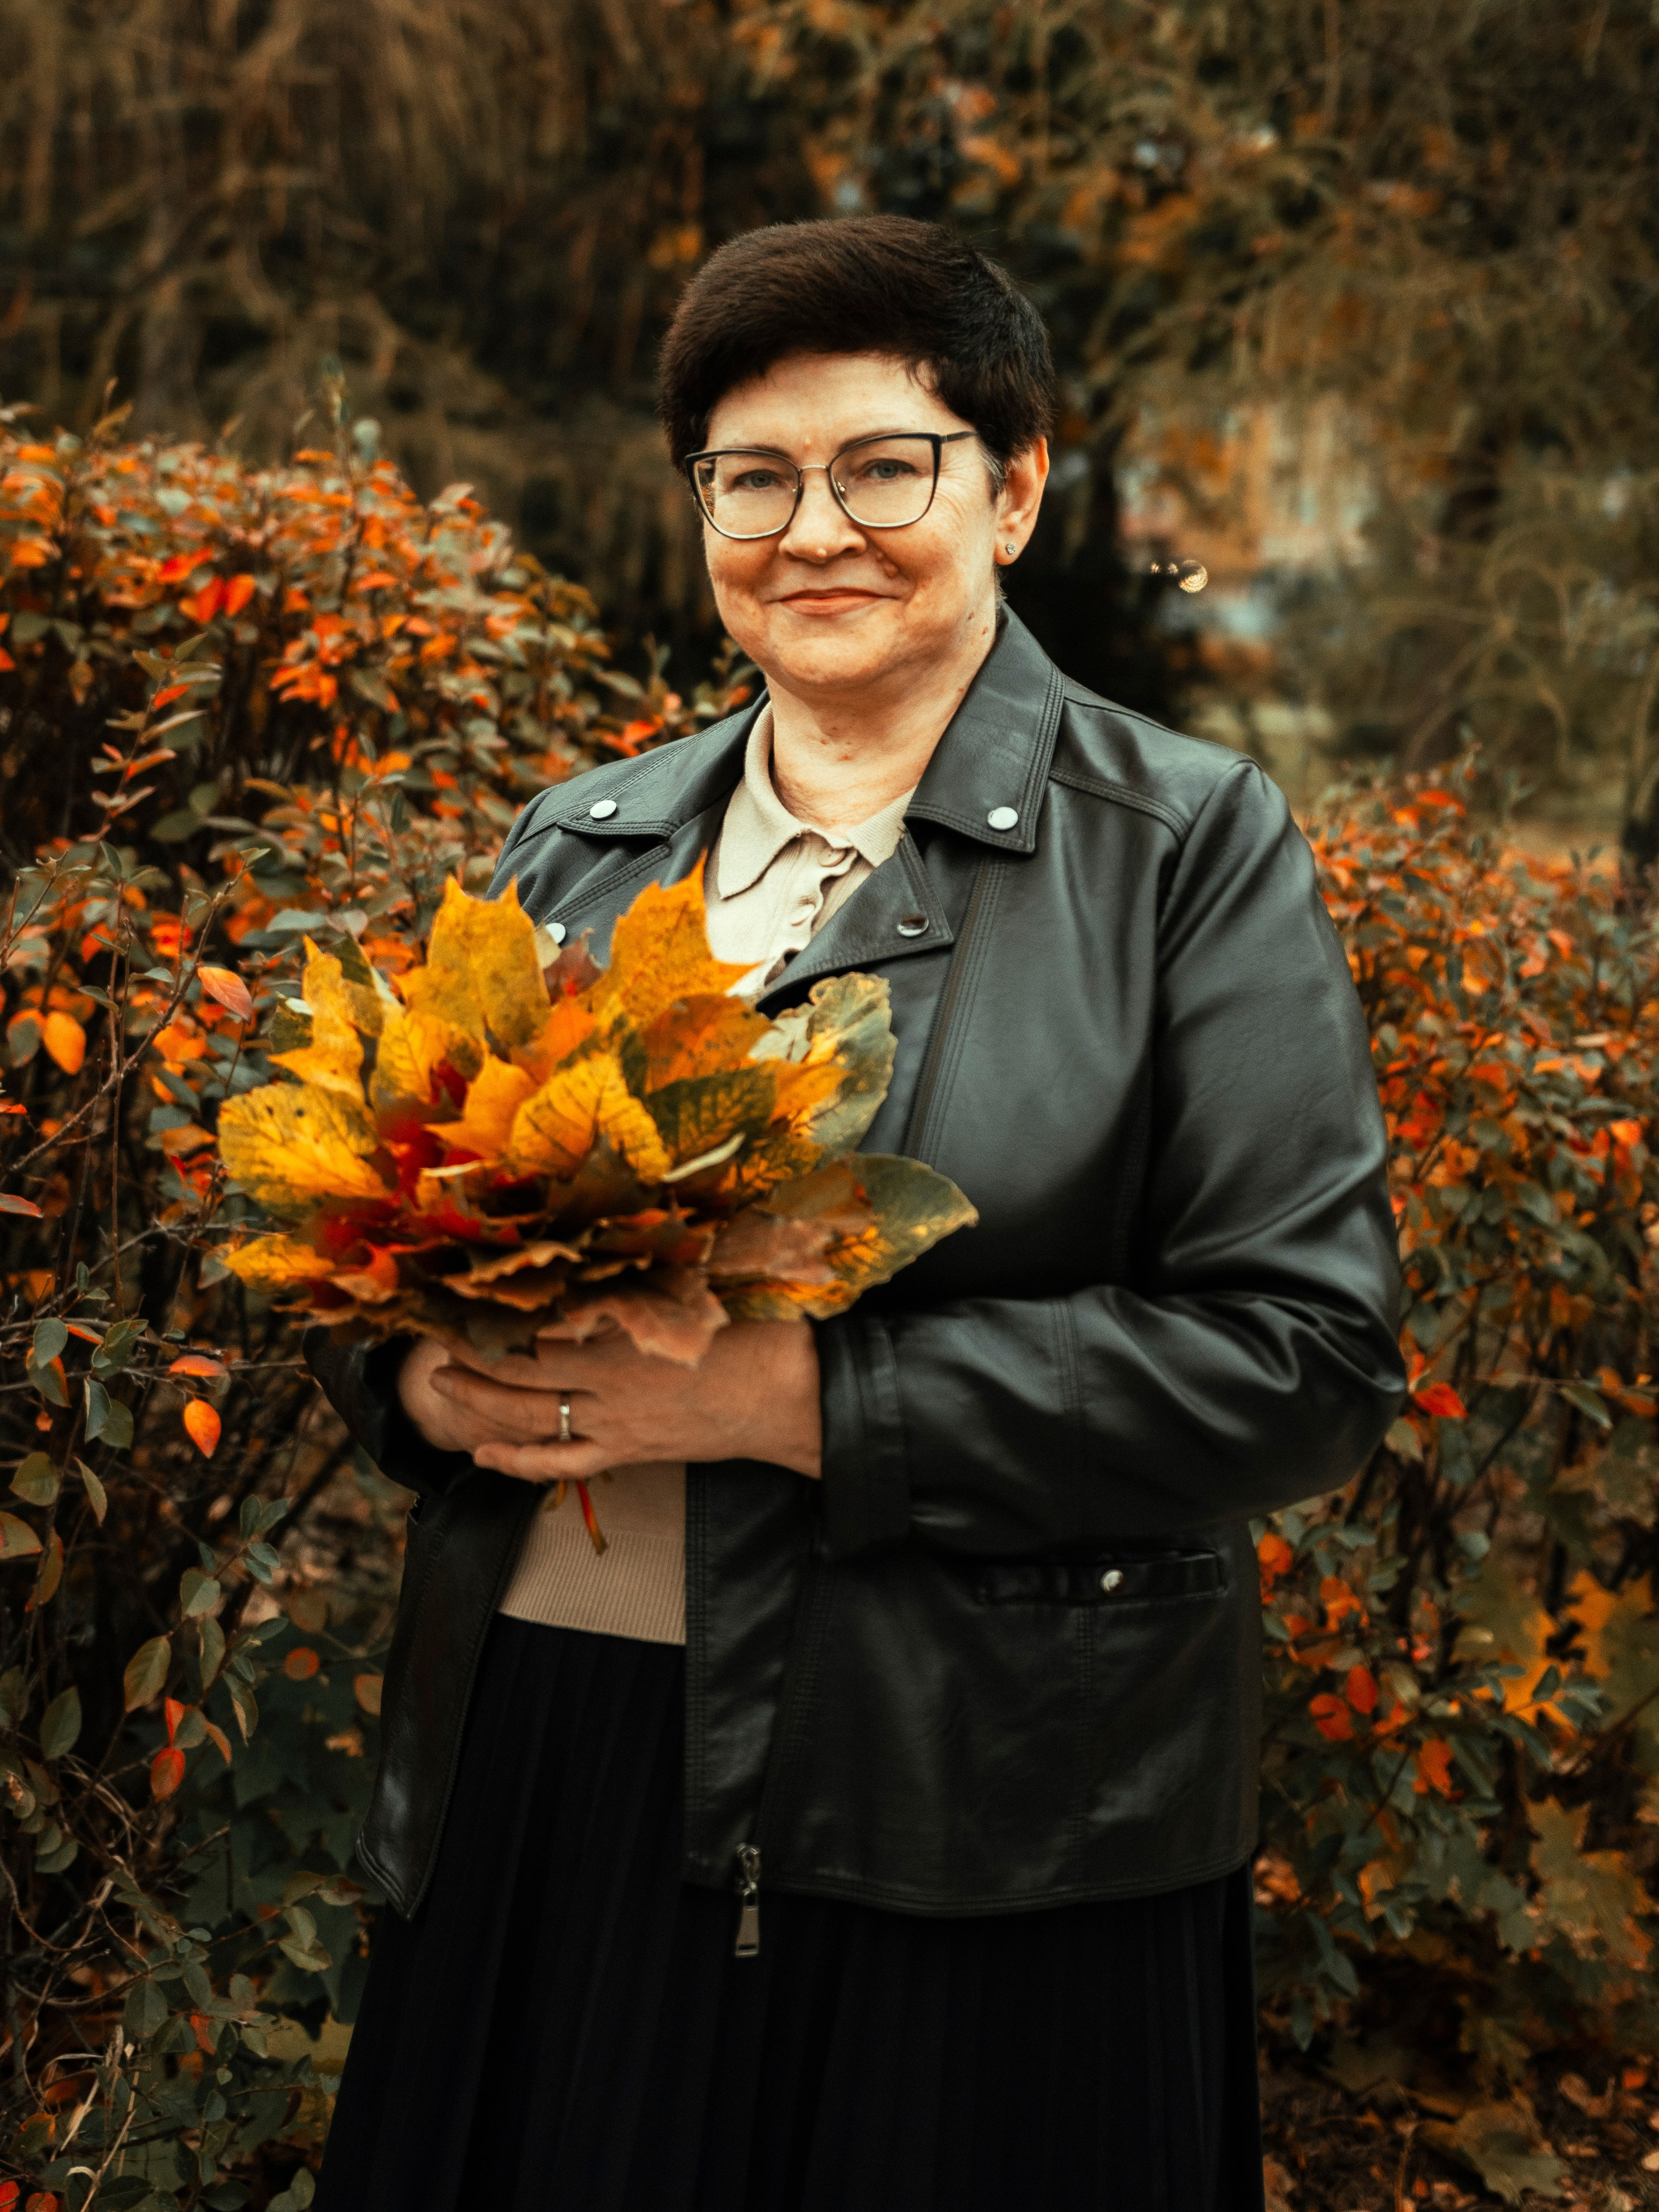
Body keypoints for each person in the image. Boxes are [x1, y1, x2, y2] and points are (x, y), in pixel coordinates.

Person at [307, 213, 1405, 2212]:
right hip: (542, 1762)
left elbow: (1303, 1364)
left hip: (963, 1812)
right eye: (753, 478)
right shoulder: (583, 842)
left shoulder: (1183, 848)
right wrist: (419, 1391)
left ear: (1018, 489)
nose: (815, 530)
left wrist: (787, 1400)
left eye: (883, 465)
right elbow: (390, 1247)